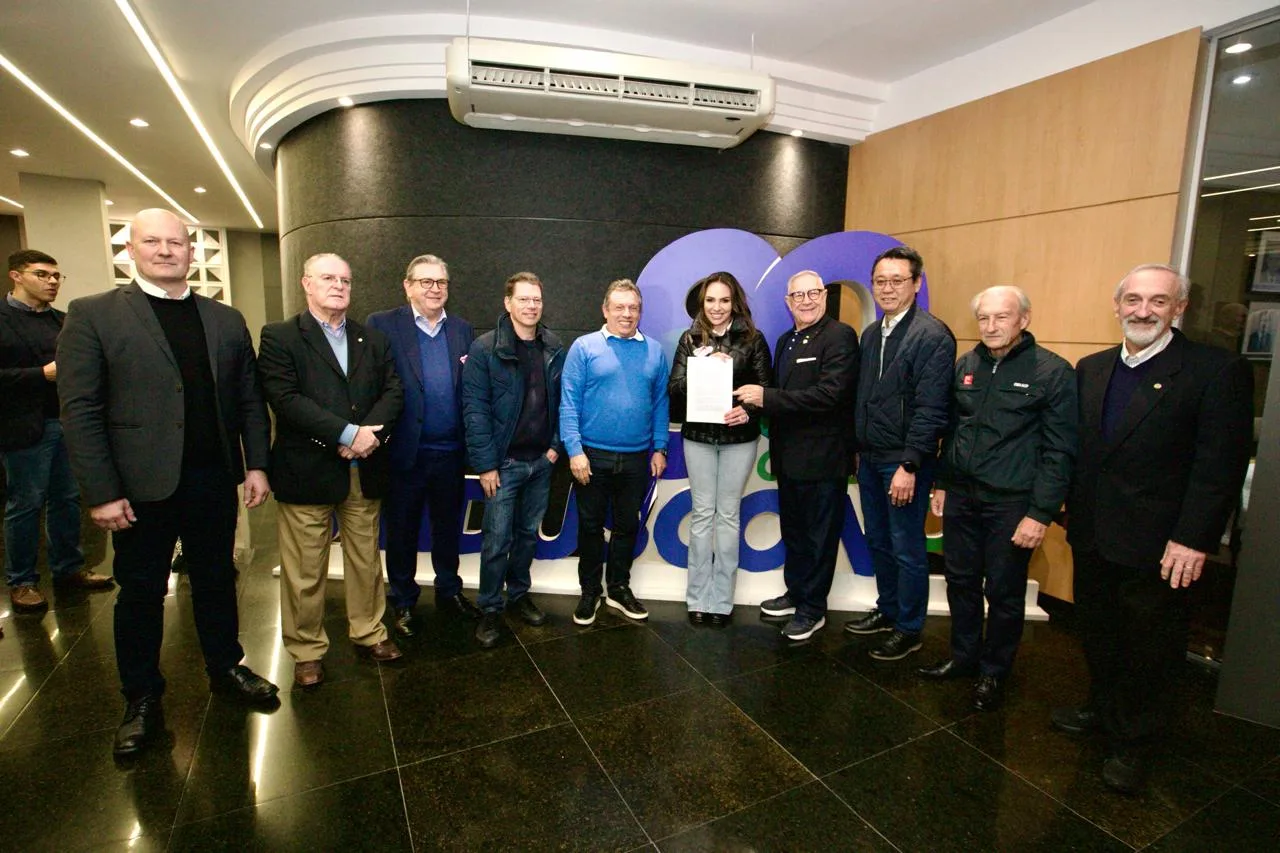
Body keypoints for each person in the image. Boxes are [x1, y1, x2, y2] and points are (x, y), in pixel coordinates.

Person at [58, 209, 278, 758]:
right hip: (138, 487)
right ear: (130, 250)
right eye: (151, 242)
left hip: (211, 478)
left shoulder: (225, 320)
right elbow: (80, 411)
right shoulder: (93, 315)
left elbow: (249, 398)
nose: (165, 250)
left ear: (190, 250)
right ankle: (141, 697)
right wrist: (102, 492)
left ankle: (226, 667)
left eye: (176, 242)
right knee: (141, 592)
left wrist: (256, 465)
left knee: (215, 580)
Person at [1053, 264, 1252, 794]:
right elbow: (1080, 450)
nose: (1143, 310)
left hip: (1161, 544)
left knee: (1150, 646)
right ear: (1117, 306)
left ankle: (1135, 743)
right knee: (1098, 631)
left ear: (1178, 308)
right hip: (1093, 532)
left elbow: (1219, 467)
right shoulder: (1091, 368)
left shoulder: (1215, 370)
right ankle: (1102, 707)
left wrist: (1194, 539)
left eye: (1158, 301)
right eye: (1133, 300)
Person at [923, 286, 1077, 711]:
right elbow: (952, 431)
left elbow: (1059, 451)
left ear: (1023, 319)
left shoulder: (1052, 372)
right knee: (961, 581)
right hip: (962, 498)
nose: (991, 326)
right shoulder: (966, 365)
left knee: (1005, 591)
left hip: (1012, 503)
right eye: (984, 318)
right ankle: (963, 657)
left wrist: (1040, 513)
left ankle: (994, 673)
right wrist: (941, 483)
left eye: (1001, 317)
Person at [259, 253, 405, 688]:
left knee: (365, 560)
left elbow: (393, 392)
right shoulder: (281, 337)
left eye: (345, 279)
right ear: (306, 283)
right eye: (328, 278)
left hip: (364, 469)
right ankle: (306, 650)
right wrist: (346, 434)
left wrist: (368, 438)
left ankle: (369, 632)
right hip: (307, 469)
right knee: (305, 569)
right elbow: (285, 400)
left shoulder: (372, 340)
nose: (339, 286)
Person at [735, 270, 858, 640]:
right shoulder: (787, 339)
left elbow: (830, 395)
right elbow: (775, 394)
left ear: (824, 295)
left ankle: (813, 609)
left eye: (812, 293)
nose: (805, 300)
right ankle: (797, 592)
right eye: (797, 295)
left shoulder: (840, 337)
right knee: (796, 531)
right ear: (787, 302)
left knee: (820, 535)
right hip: (788, 458)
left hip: (823, 458)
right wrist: (751, 408)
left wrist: (765, 399)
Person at [847, 246, 955, 661]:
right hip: (871, 457)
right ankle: (888, 609)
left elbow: (932, 410)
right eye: (880, 281)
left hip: (904, 461)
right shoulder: (872, 333)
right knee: (878, 539)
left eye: (897, 280)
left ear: (916, 284)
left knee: (907, 546)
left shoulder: (932, 335)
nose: (887, 288)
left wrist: (910, 464)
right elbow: (865, 398)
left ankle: (909, 628)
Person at [367, 254, 480, 637]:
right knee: (402, 531)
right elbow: (374, 386)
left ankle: (449, 591)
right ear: (408, 285)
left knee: (448, 528)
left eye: (441, 283)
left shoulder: (463, 329)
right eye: (426, 282)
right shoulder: (383, 325)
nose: (435, 289)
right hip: (405, 452)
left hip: (451, 452)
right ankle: (403, 600)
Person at [2, 250, 113, 612]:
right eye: (42, 274)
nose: (52, 281)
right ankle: (22, 581)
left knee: (67, 500)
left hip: (69, 424)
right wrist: (40, 375)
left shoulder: (65, 320)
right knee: (26, 504)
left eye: (56, 275)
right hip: (24, 428)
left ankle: (68, 569)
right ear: (16, 276)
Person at [461, 271, 564, 648]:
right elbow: (474, 410)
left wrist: (554, 447)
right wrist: (486, 464)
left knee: (526, 536)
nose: (531, 306)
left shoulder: (553, 347)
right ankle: (490, 607)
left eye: (536, 299)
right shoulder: (484, 349)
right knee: (496, 539)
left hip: (541, 462)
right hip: (502, 466)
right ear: (508, 303)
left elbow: (562, 403)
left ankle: (519, 594)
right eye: (523, 299)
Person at [560, 279, 670, 626]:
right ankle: (590, 591)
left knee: (627, 526)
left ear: (640, 311)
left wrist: (660, 447)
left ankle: (619, 588)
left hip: (638, 458)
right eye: (619, 307)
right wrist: (574, 451)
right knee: (590, 527)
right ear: (605, 310)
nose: (627, 313)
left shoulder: (654, 351)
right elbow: (569, 404)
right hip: (592, 457)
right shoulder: (584, 347)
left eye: (633, 307)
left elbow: (660, 404)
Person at [669, 272, 773, 626]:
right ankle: (697, 597)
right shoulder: (689, 339)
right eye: (711, 300)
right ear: (702, 304)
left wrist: (748, 410)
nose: (717, 307)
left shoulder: (754, 340)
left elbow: (765, 390)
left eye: (724, 300)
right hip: (698, 438)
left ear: (735, 303)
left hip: (738, 441)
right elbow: (675, 389)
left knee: (727, 517)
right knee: (702, 516)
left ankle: (722, 601)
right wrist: (702, 367)